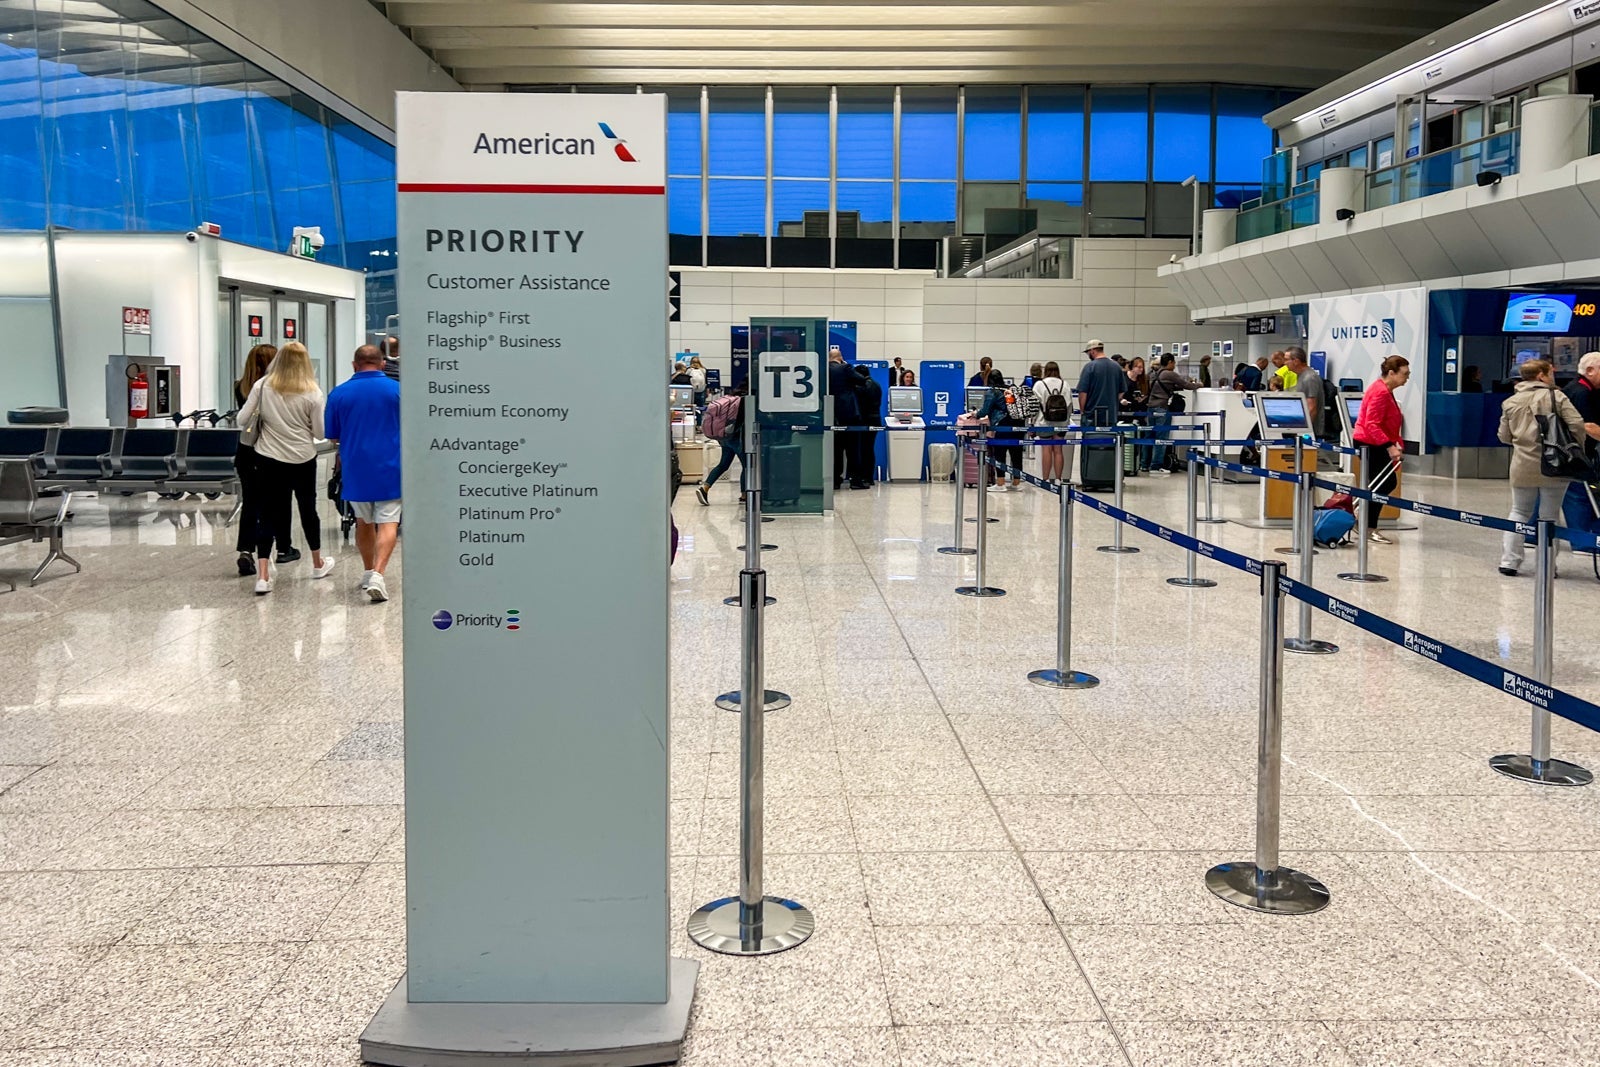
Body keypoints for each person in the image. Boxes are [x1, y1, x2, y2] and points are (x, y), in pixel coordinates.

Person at [236, 341, 333, 595]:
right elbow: (320, 432)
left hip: (268, 458)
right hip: (303, 459)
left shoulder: (263, 385)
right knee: (308, 510)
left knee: (266, 513)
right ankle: (317, 562)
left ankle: (264, 576)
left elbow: (242, 420)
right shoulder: (313, 391)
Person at [325, 344, 402, 602]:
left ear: (354, 365)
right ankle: (379, 575)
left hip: (356, 467)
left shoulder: (339, 394)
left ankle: (369, 572)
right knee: (389, 521)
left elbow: (333, 435)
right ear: (382, 364)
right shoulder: (399, 390)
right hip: (392, 465)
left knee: (363, 522)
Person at [1498, 359, 1586, 576]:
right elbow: (1576, 425)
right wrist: (1575, 447)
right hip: (1555, 465)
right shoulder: (1557, 396)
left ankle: (1510, 561)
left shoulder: (1511, 402)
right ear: (1541, 375)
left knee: (1518, 511)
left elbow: (1504, 436)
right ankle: (1546, 566)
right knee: (1549, 516)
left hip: (1522, 465)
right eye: (1550, 372)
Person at [1352, 356, 1410, 545]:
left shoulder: (1384, 389)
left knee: (1379, 484)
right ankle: (1368, 526)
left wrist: (1396, 441)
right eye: (1405, 374)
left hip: (1375, 442)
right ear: (1391, 373)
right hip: (1371, 443)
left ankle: (1365, 522)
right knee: (1383, 484)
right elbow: (1372, 423)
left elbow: (1388, 422)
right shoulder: (1381, 392)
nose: (1407, 378)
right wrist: (1389, 446)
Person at [231, 343, 276, 576]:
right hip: (270, 450)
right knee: (272, 503)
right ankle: (268, 551)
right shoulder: (275, 388)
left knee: (250, 502)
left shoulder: (241, 386)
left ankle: (246, 550)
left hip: (246, 451)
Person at [1146, 354, 1202, 474]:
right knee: (1162, 437)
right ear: (1170, 362)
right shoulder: (1169, 373)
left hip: (1150, 407)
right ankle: (1156, 466)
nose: (1174, 365)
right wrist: (1199, 385)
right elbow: (1187, 385)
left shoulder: (1154, 373)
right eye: (1174, 363)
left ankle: (1144, 464)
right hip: (1162, 407)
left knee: (1149, 436)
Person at [697, 382, 746, 504]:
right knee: (747, 465)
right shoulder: (744, 400)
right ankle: (744, 495)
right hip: (735, 437)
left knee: (723, 465)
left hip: (724, 436)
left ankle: (705, 488)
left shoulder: (729, 398)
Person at [975, 369, 1024, 491]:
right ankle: (1016, 483)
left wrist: (975, 414)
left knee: (1000, 453)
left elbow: (985, 411)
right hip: (1018, 423)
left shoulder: (993, 392)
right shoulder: (1010, 390)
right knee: (1016, 453)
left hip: (1002, 424)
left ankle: (1001, 483)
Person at [1032, 360, 1071, 485]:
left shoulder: (1039, 384)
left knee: (1046, 449)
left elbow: (1034, 406)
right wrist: (1066, 420)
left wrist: (1033, 422)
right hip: (1061, 422)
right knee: (1058, 450)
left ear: (1046, 371)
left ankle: (1046, 479)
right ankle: (1059, 479)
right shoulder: (1065, 384)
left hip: (1043, 422)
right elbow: (1069, 405)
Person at [1076, 340, 1127, 429]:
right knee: (1109, 440)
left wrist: (1082, 411)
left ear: (1092, 351)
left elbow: (1082, 393)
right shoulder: (1116, 367)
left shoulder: (1089, 367)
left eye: (1088, 353)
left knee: (1091, 441)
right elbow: (1122, 391)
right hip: (1111, 415)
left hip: (1092, 415)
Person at [828, 347, 860, 489]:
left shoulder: (824, 370)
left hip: (831, 413)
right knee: (852, 449)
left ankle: (835, 480)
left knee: (836, 450)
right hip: (848, 414)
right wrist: (847, 365)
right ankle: (854, 480)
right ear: (840, 357)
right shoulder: (845, 367)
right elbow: (860, 379)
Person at [850, 365, 884, 488]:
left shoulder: (862, 386)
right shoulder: (877, 384)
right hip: (875, 419)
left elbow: (860, 404)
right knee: (869, 449)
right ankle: (869, 477)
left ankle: (863, 476)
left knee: (862, 450)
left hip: (864, 421)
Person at [1288, 349, 1323, 431]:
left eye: (1286, 360)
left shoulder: (1309, 378)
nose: (1284, 363)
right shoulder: (1301, 376)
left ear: (1296, 361)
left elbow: (1311, 408)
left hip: (1312, 432)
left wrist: (1304, 430)